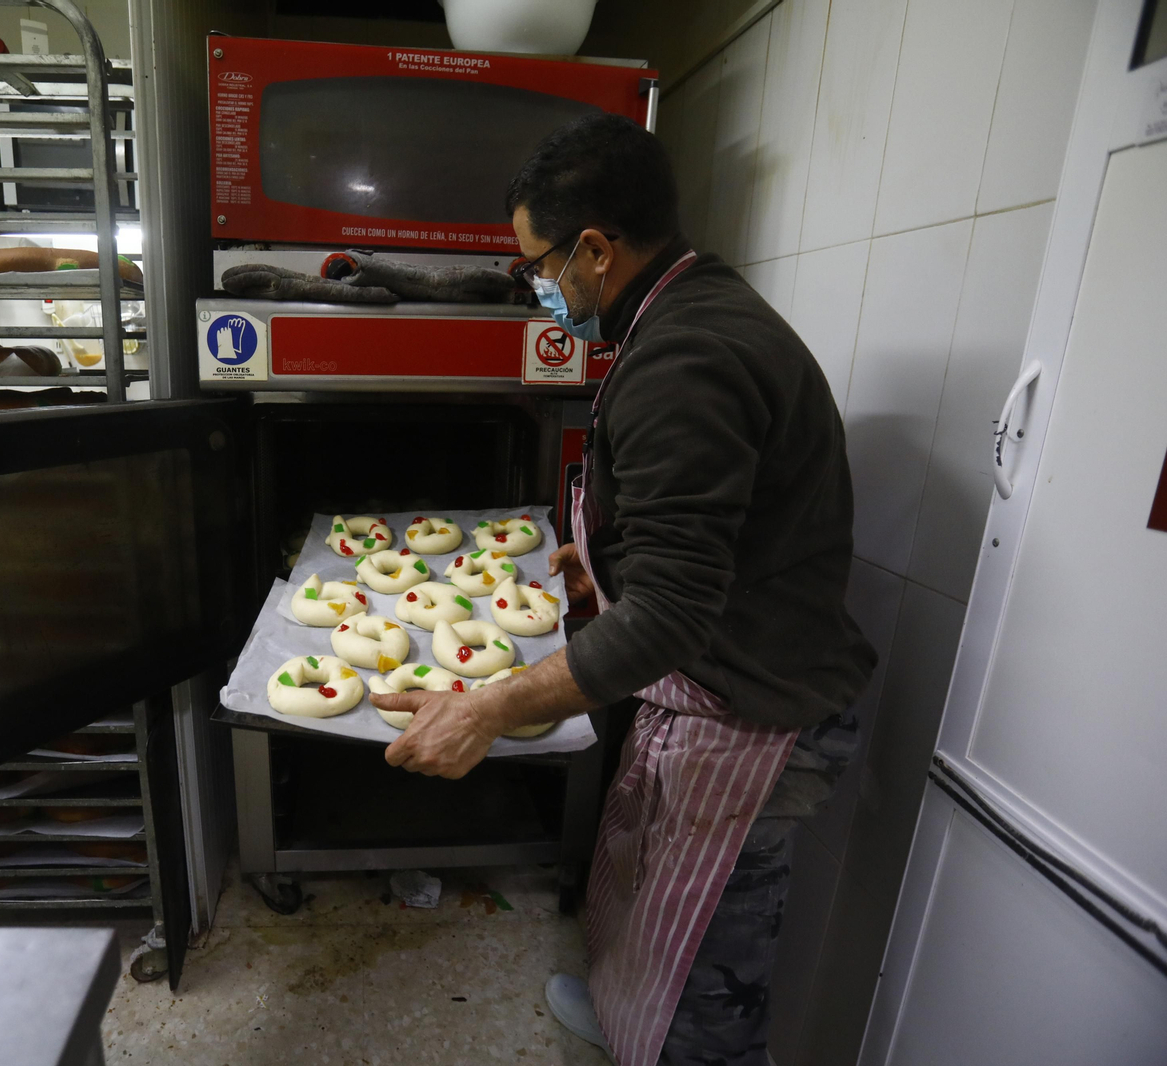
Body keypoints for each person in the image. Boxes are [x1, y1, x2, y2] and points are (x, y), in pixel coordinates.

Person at [367, 113, 877, 1066]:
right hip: (728, 682)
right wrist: (604, 556)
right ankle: (627, 1018)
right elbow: (715, 528)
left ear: (594, 250)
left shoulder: (685, 359)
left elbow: (679, 612)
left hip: (757, 716)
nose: (536, 289)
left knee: (711, 987)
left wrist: (487, 707)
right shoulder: (691, 309)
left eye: (537, 267)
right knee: (655, 909)